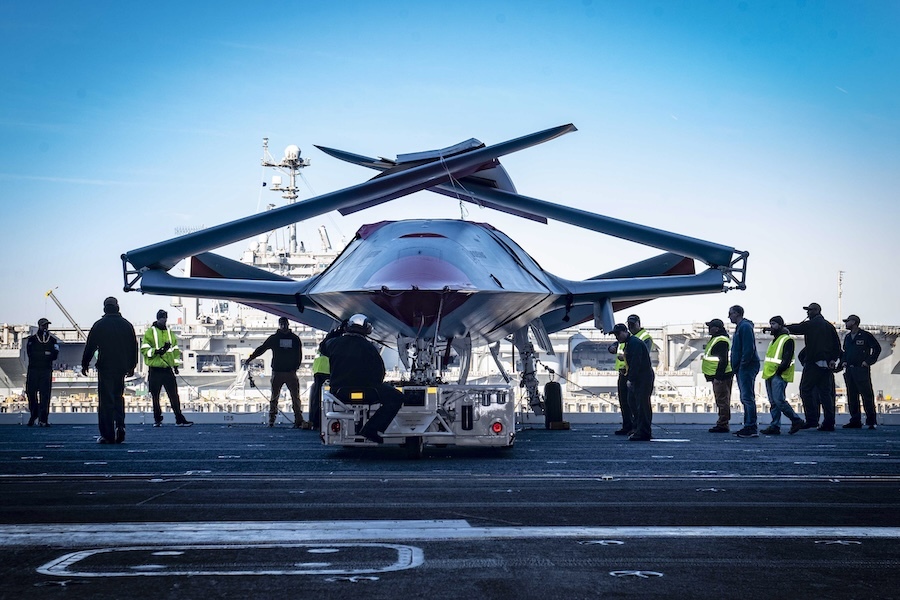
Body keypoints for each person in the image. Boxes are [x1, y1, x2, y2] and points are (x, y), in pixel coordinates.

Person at [319, 313, 404, 444]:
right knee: (397, 398)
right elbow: (380, 372)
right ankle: (372, 428)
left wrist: (337, 331)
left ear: (348, 327)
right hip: (368, 391)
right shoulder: (370, 347)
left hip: (339, 392)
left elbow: (323, 347)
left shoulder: (334, 343)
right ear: (367, 329)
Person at [81, 297, 138, 444]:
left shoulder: (99, 325)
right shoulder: (127, 325)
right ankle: (120, 426)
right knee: (118, 397)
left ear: (105, 308)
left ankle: (107, 434)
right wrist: (132, 366)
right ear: (117, 307)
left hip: (105, 366)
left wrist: (85, 363)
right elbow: (133, 347)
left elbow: (90, 346)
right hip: (121, 367)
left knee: (106, 401)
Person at [784, 303, 842, 431]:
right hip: (826, 365)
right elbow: (837, 346)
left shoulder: (811, 324)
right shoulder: (829, 326)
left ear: (816, 311)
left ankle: (812, 420)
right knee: (826, 394)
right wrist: (833, 359)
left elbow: (797, 328)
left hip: (813, 363)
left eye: (809, 310)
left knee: (805, 390)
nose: (807, 313)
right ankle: (829, 422)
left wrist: (783, 327)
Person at [245, 316, 304, 428]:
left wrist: (295, 367)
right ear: (280, 325)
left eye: (285, 324)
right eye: (282, 324)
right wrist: (251, 358)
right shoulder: (292, 339)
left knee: (291, 398)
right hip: (282, 372)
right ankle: (274, 420)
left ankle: (295, 420)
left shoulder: (278, 338)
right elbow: (261, 349)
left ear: (287, 324)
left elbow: (299, 355)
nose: (284, 326)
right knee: (277, 398)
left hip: (284, 372)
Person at [141, 309, 193, 427]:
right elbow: (144, 349)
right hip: (155, 369)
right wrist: (156, 351)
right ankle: (157, 419)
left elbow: (175, 350)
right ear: (158, 318)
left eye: (165, 318)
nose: (164, 320)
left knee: (174, 395)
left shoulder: (170, 333)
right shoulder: (150, 332)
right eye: (162, 318)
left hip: (167, 369)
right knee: (155, 396)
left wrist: (176, 365)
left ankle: (179, 419)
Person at [760, 316, 805, 435]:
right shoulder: (774, 341)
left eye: (773, 324)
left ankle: (796, 420)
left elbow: (787, 358)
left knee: (779, 401)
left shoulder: (786, 340)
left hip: (778, 375)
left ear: (780, 325)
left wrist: (779, 371)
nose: (771, 327)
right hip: (770, 374)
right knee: (774, 402)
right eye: (770, 324)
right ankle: (775, 426)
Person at [612, 322, 654, 441]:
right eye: (615, 335)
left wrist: (631, 379)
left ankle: (643, 432)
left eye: (618, 334)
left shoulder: (634, 344)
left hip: (642, 377)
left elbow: (636, 363)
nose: (617, 337)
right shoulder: (630, 343)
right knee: (634, 402)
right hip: (640, 377)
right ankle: (639, 429)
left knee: (642, 405)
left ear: (625, 332)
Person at [840, 314, 881, 429]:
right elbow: (845, 352)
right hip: (850, 370)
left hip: (861, 369)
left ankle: (871, 421)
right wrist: (843, 361)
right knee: (852, 396)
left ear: (854, 322)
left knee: (866, 396)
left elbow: (877, 348)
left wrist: (868, 362)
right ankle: (855, 420)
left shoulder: (865, 335)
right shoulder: (848, 337)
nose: (846, 324)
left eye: (847, 321)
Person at [728, 305, 760, 438]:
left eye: (730, 313)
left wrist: (742, 364)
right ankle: (749, 425)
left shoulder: (744, 327)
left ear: (737, 313)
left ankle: (751, 426)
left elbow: (748, 348)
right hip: (743, 367)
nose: (729, 316)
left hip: (746, 367)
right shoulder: (741, 327)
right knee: (745, 397)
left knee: (747, 397)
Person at [309, 321, 345, 431]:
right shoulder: (338, 342)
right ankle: (325, 421)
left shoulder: (328, 341)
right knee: (331, 398)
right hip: (328, 372)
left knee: (317, 398)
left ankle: (316, 422)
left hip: (319, 371)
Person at [25, 317, 59, 427]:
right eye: (44, 325)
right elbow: (30, 354)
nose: (45, 327)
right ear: (39, 326)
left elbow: (55, 355)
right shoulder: (32, 340)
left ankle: (43, 419)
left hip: (46, 370)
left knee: (45, 395)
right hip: (34, 369)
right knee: (31, 393)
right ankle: (34, 413)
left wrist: (42, 355)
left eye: (46, 325)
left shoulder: (52, 340)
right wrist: (46, 354)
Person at [701, 318, 733, 433]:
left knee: (722, 400)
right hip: (719, 375)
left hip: (721, 376)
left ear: (717, 328)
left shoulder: (721, 340)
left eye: (711, 327)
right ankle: (723, 423)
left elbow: (723, 360)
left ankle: (723, 424)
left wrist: (718, 377)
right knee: (722, 400)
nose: (709, 329)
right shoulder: (718, 339)